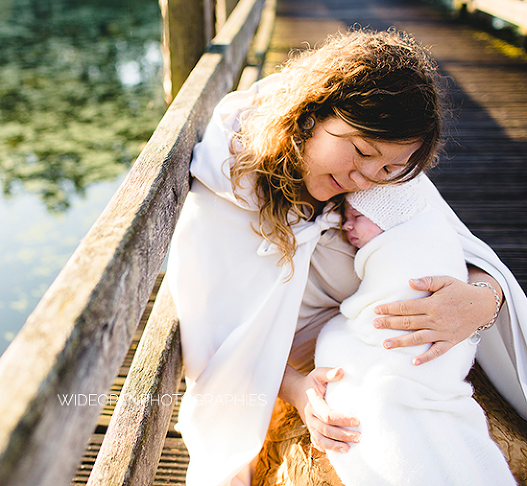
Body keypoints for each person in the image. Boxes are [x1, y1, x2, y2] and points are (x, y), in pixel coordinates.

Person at [167, 28, 527, 486]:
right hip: (297, 374)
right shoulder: (226, 198)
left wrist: (482, 299)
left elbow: (447, 243)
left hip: (401, 355)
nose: (365, 177)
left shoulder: (383, 174)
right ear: (309, 113)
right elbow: (221, 339)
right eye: (359, 151)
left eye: (390, 168)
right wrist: (298, 391)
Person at [314, 181, 516, 485]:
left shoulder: (413, 239)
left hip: (424, 354)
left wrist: (484, 299)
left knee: (385, 389)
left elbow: (381, 307)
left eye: (358, 216)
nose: (347, 226)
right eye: (346, 216)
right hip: (388, 355)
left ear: (386, 216)